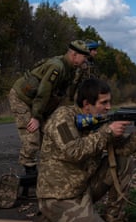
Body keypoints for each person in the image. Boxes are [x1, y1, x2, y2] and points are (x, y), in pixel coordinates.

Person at [29, 78, 136, 222]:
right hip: (57, 195)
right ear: (86, 104)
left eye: (109, 102)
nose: (108, 107)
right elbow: (73, 151)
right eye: (103, 102)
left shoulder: (99, 120)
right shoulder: (62, 118)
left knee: (123, 162)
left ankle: (113, 218)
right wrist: (107, 132)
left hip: (83, 188)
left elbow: (123, 150)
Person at [8, 40, 90, 176]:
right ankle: (30, 170)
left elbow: (63, 96)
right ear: (74, 55)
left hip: (38, 102)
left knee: (54, 130)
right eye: (84, 57)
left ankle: (54, 163)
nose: (85, 60)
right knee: (32, 133)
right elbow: (43, 92)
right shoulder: (57, 67)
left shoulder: (70, 69)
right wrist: (36, 117)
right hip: (22, 98)